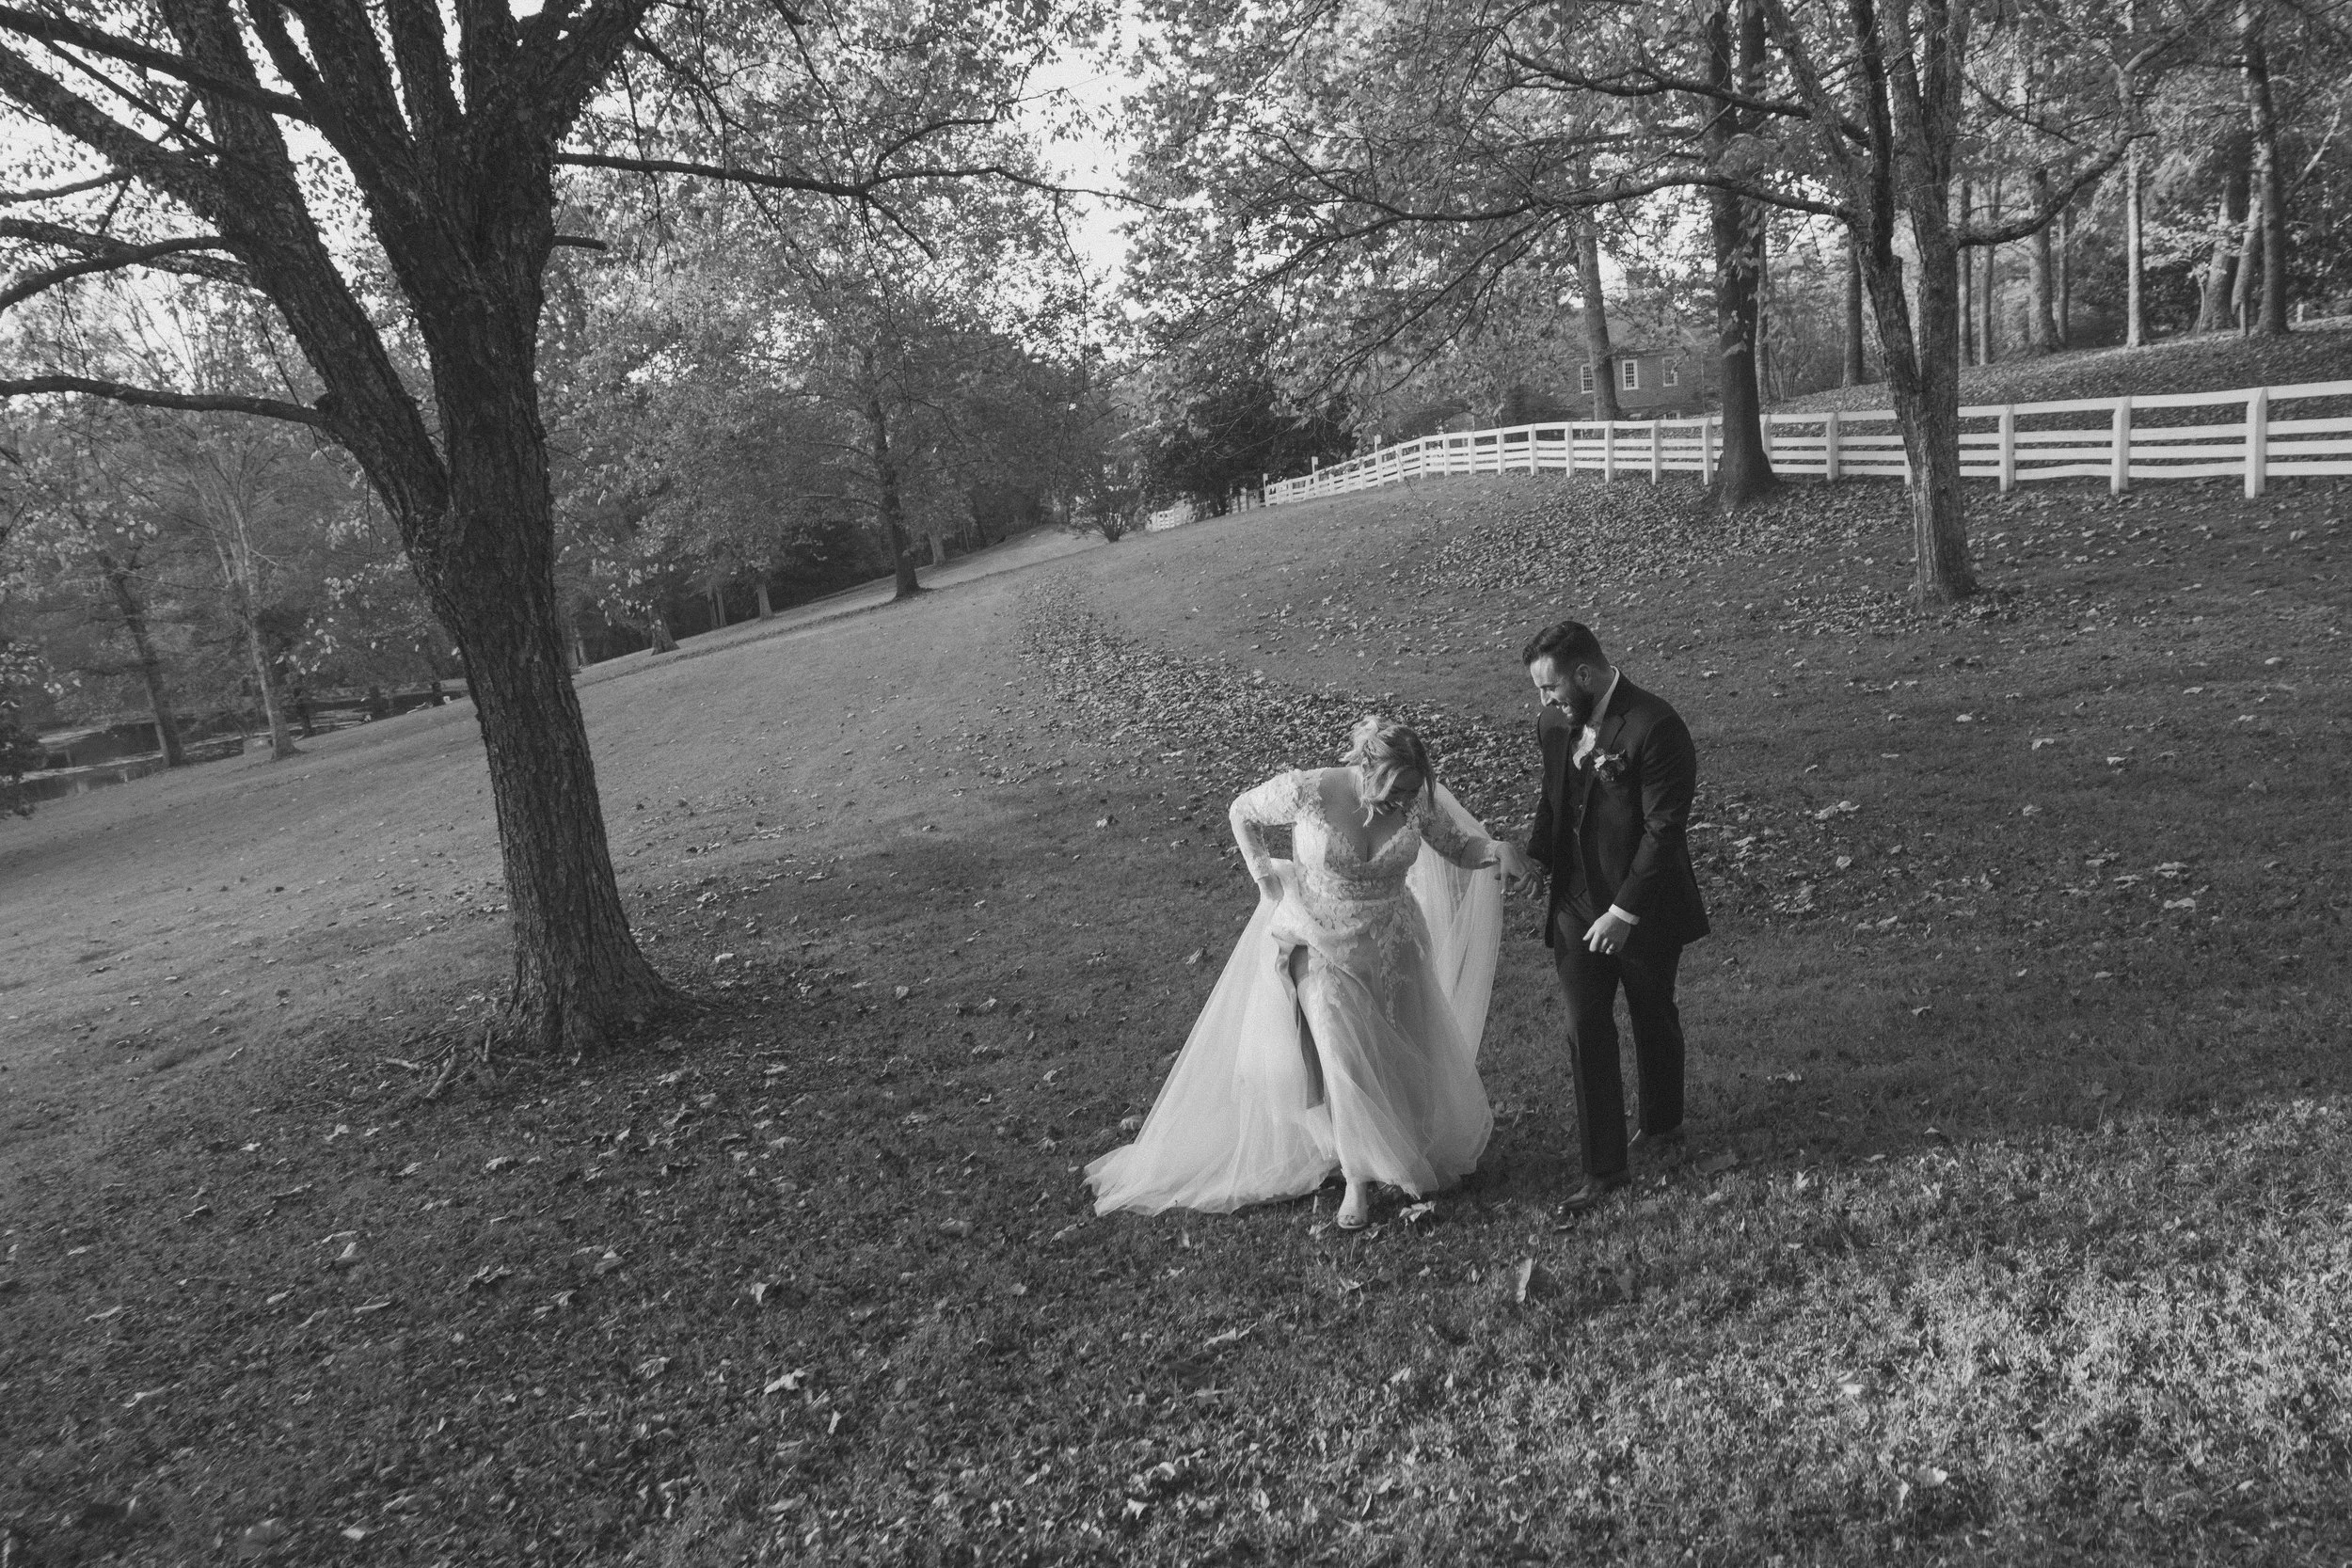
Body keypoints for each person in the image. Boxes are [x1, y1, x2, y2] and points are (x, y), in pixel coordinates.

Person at [1087, 717, 1538, 1227]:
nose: (1405, 803)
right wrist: (1264, 879)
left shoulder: (1418, 799)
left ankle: (1397, 1141)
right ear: (1365, 769)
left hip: (1394, 946)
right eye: (1396, 791)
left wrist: (1496, 849)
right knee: (1341, 1053)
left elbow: (1458, 847)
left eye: (1414, 792)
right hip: (1318, 939)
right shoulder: (1308, 790)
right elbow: (1242, 811)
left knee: (1396, 1051)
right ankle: (1355, 1178)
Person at [1513, 621, 1711, 1212]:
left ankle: (1662, 1122)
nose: (1544, 701)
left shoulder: (1656, 725)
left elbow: (1663, 829)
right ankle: (1604, 1171)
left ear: (1585, 674)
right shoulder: (1553, 725)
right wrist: (1537, 861)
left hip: (1642, 906)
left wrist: (1625, 910)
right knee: (1585, 1026)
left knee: (1652, 1012)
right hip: (1575, 904)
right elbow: (1554, 802)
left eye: (1550, 688)